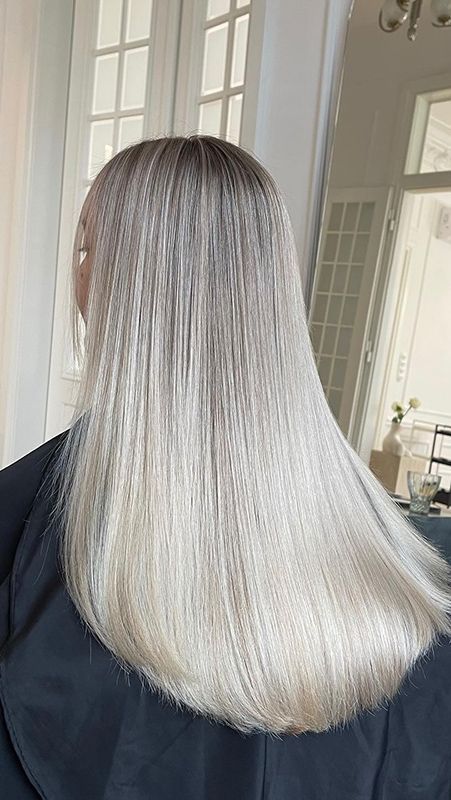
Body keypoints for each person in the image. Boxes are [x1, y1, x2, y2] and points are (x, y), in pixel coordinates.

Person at [1, 135, 450, 800]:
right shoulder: (402, 567)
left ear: (114, 285)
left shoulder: (21, 524)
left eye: (88, 247)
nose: (79, 272)